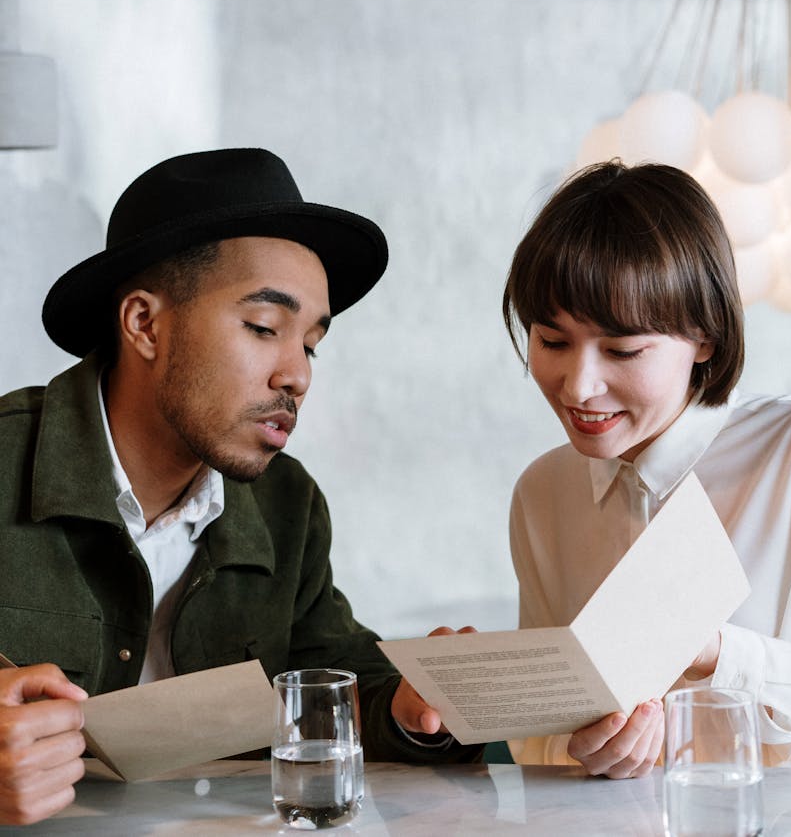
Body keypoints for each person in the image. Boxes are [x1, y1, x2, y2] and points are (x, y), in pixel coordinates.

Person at [0, 147, 476, 827]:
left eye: (310, 343)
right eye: (263, 327)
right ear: (144, 323)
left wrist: (411, 708)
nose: (298, 376)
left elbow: (333, 676)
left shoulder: (288, 506)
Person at [503, 159, 791, 774]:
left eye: (622, 349)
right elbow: (539, 745)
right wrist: (586, 747)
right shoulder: (544, 492)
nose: (579, 386)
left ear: (706, 338)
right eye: (552, 341)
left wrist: (718, 654)